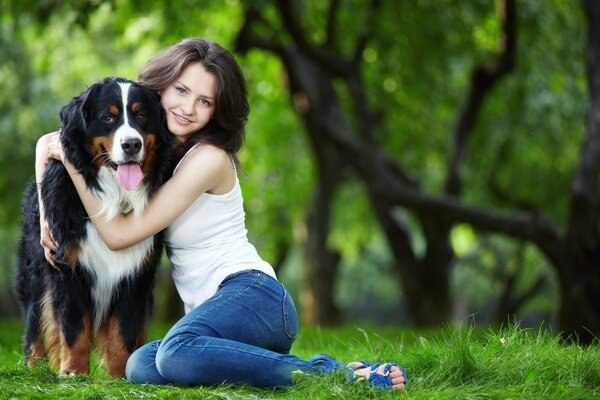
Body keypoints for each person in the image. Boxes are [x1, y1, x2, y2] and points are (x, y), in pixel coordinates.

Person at [36, 38, 407, 390]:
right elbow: (47, 143)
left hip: (254, 295)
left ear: (218, 110)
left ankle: (333, 374)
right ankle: (254, 363)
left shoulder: (209, 158)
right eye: (181, 91)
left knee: (176, 354)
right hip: (214, 316)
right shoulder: (157, 152)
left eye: (205, 101)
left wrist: (69, 163)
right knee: (141, 366)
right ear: (161, 87)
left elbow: (118, 235)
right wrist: (44, 218)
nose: (187, 108)